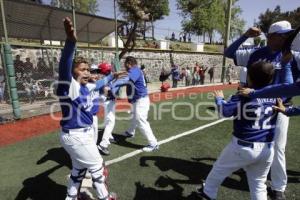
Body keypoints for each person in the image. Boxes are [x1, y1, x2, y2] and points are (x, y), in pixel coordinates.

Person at [224, 20, 300, 200]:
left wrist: (287, 62)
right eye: (284, 35)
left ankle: (278, 187)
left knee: (278, 148)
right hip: (255, 107)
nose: (288, 39)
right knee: (251, 142)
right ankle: (255, 172)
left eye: (289, 36)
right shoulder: (254, 52)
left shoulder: (294, 55)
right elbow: (228, 53)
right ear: (271, 36)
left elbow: (289, 86)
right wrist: (245, 36)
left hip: (280, 108)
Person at [196, 61, 278, 200]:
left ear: (249, 77)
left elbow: (225, 112)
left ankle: (207, 193)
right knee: (258, 184)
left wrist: (219, 99)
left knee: (218, 170)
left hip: (243, 146)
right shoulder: (276, 95)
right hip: (267, 148)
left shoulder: (243, 95)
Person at [57, 17, 118, 200]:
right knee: (98, 168)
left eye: (88, 69)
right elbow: (64, 67)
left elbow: (100, 83)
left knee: (79, 169)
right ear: (73, 72)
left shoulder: (85, 87)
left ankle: (71, 197)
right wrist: (70, 42)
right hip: (76, 136)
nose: (87, 72)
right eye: (82, 69)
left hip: (79, 134)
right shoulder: (70, 86)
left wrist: (113, 76)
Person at [110, 56, 159, 152]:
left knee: (140, 120)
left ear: (129, 63)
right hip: (138, 99)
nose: (125, 66)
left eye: (125, 64)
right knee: (134, 117)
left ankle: (153, 144)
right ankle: (130, 132)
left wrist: (113, 87)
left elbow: (126, 80)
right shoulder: (135, 70)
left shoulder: (135, 70)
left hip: (141, 100)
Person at [97, 62, 118, 156]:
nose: (110, 70)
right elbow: (107, 91)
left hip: (109, 101)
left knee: (108, 120)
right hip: (107, 101)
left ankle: (109, 136)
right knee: (111, 122)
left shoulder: (106, 77)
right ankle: (103, 144)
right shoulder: (105, 78)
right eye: (109, 69)